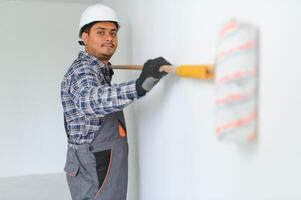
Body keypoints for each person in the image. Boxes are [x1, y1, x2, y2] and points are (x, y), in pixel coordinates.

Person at [60, 4, 170, 200]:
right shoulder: (83, 71)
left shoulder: (97, 68)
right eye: (100, 32)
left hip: (98, 161)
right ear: (84, 37)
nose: (109, 38)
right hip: (94, 166)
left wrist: (104, 69)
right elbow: (91, 100)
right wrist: (139, 86)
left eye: (113, 33)